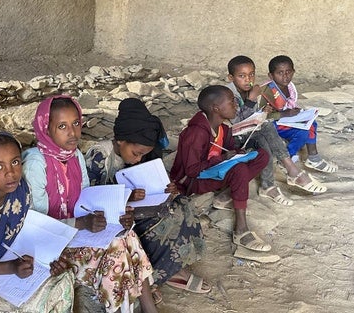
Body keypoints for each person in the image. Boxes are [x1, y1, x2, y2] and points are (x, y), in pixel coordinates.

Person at [22, 95, 157, 313]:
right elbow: (38, 223)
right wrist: (82, 223)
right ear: (46, 130)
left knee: (128, 234)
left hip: (76, 233)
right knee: (116, 250)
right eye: (62, 126)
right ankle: (122, 308)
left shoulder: (74, 155)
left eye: (76, 123)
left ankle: (148, 309)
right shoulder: (36, 164)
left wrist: (116, 214)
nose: (73, 132)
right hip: (50, 245)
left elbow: (87, 199)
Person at [85, 98, 210, 296]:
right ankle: (149, 279)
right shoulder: (99, 155)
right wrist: (126, 197)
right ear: (120, 140)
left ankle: (169, 269)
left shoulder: (137, 152)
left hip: (134, 206)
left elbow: (146, 179)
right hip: (110, 216)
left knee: (182, 204)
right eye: (136, 153)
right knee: (164, 221)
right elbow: (90, 199)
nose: (138, 159)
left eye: (143, 155)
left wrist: (165, 189)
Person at [0, 131, 74, 313]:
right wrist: (10, 267)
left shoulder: (23, 191)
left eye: (15, 162)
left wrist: (49, 260)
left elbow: (32, 230)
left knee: (62, 281)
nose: (11, 172)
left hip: (19, 265)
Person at [170, 85, 272, 252]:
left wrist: (239, 153)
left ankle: (226, 194)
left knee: (262, 155)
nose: (236, 105)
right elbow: (192, 170)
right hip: (195, 181)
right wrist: (224, 158)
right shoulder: (196, 133)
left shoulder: (224, 128)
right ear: (216, 108)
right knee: (239, 170)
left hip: (216, 170)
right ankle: (240, 230)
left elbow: (228, 151)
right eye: (232, 102)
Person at [226, 55, 326, 200]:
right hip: (232, 136)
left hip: (249, 131)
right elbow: (237, 121)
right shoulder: (228, 94)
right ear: (231, 77)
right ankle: (289, 172)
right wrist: (251, 100)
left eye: (251, 74)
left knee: (265, 140)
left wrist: (263, 112)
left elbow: (252, 117)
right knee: (265, 132)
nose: (248, 79)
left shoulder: (250, 89)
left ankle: (270, 184)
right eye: (242, 76)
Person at [259, 55, 338, 173]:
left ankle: (313, 158)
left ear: (293, 72)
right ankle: (286, 158)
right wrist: (284, 114)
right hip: (271, 124)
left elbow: (288, 105)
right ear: (271, 75)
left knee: (311, 123)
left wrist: (295, 112)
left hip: (285, 119)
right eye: (280, 73)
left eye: (288, 72)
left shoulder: (289, 87)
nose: (285, 76)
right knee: (303, 132)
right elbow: (261, 116)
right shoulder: (267, 91)